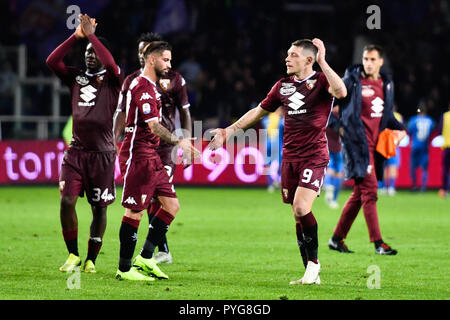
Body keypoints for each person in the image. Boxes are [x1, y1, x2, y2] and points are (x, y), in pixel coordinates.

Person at [209, 38, 347, 285]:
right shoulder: (282, 86)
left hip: (314, 155)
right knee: (297, 215)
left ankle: (314, 265)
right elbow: (258, 111)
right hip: (290, 157)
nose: (287, 58)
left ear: (308, 59)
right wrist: (228, 131)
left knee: (301, 207)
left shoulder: (322, 81)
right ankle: (309, 271)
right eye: (287, 54)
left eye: (293, 54)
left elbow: (341, 92)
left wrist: (323, 61)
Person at [115, 40, 200, 281]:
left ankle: (145, 257)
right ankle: (124, 269)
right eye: (166, 59)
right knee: (134, 212)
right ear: (151, 59)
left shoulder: (152, 87)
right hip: (138, 154)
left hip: (152, 155)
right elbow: (153, 126)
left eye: (170, 59)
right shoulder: (141, 86)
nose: (169, 64)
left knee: (171, 205)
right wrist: (179, 141)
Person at [46, 14, 124, 273]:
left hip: (102, 154)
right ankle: (73, 255)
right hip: (76, 152)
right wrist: (77, 36)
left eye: (94, 52)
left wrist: (91, 34)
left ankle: (92, 258)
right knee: (66, 201)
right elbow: (52, 61)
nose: (90, 55)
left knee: (99, 208)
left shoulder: (114, 80)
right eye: (87, 52)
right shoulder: (75, 78)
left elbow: (112, 65)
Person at [328, 44, 406, 255]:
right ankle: (379, 243)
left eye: (372, 59)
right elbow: (329, 106)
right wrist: (340, 129)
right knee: (370, 192)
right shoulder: (352, 81)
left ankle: (336, 239)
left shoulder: (387, 84)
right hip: (357, 146)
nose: (368, 63)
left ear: (381, 62)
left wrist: (401, 130)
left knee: (359, 194)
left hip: (375, 146)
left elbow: (387, 116)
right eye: (365, 59)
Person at [407, 106, 435, 192]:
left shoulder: (413, 120)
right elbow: (432, 131)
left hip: (415, 146)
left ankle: (414, 185)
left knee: (413, 167)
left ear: (418, 112)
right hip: (424, 146)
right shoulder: (430, 120)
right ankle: (423, 187)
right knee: (424, 168)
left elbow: (409, 131)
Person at [380, 106, 404, 195]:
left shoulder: (382, 115)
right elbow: (402, 130)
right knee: (393, 166)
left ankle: (383, 187)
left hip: (383, 144)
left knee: (384, 167)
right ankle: (391, 187)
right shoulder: (398, 116)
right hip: (394, 144)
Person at [323, 105, 343, 209]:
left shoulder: (326, 115)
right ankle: (332, 196)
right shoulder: (337, 117)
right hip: (334, 148)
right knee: (337, 171)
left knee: (335, 171)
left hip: (332, 147)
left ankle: (329, 188)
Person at [261, 106, 284, 193]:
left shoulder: (265, 120)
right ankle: (279, 182)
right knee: (280, 165)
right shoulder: (281, 120)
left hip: (267, 144)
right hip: (277, 145)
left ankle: (270, 185)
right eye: (281, 110)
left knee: (268, 164)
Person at [438, 104, 450, 198]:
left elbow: (439, 130)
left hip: (447, 145)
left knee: (445, 169)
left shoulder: (445, 116)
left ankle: (445, 189)